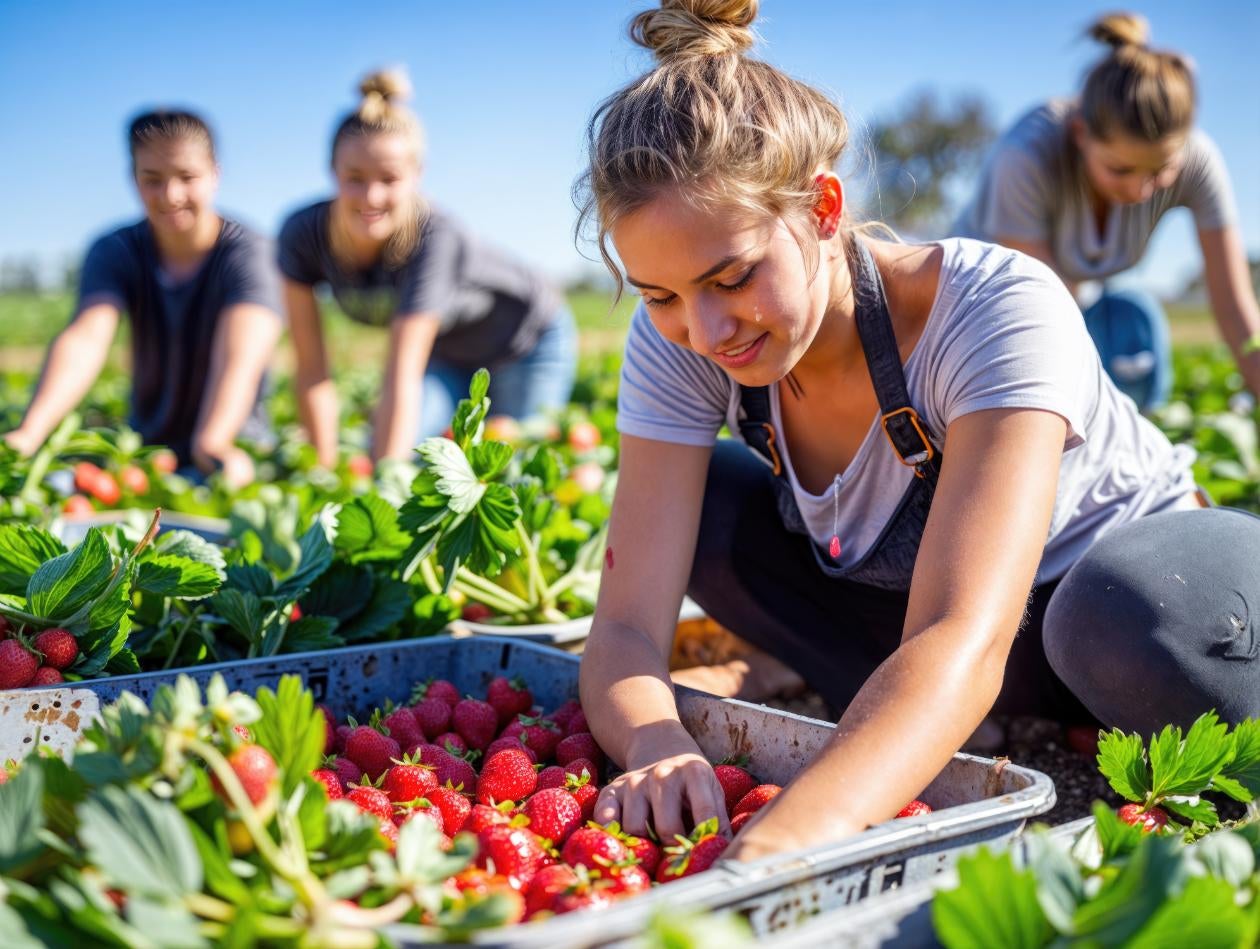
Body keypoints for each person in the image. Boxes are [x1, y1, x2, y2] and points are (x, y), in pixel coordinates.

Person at [576, 0, 1260, 863]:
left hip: (1138, 601)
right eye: (660, 294)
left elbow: (961, 635)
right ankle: (928, 726)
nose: (706, 331)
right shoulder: (684, 340)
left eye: (735, 274)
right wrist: (654, 743)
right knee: (711, 510)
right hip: (962, 652)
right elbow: (627, 625)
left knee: (1115, 618)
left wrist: (787, 842)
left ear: (823, 209)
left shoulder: (990, 308)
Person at [954, 13, 1260, 411]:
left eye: (1160, 169)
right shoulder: (1026, 156)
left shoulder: (1198, 162)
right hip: (983, 310)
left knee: (1135, 324)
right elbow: (1040, 313)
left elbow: (1236, 309)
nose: (1140, 189)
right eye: (1121, 170)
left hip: (1076, 301)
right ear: (1081, 134)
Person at [278, 69, 577, 467]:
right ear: (332, 171)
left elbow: (401, 371)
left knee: (510, 468)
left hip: (525, 343)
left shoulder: (434, 235)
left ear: (417, 176)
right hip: (449, 356)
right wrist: (325, 474)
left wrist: (381, 487)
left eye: (389, 178)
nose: (371, 195)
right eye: (355, 178)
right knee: (415, 453)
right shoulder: (302, 235)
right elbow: (312, 368)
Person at [4, 110, 282, 486]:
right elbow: (87, 337)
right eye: (152, 180)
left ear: (215, 174)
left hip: (231, 452)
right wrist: (29, 435)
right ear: (133, 179)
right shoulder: (116, 250)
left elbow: (241, 357)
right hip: (146, 453)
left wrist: (214, 441)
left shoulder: (250, 253)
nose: (171, 195)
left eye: (187, 177)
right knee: (58, 486)